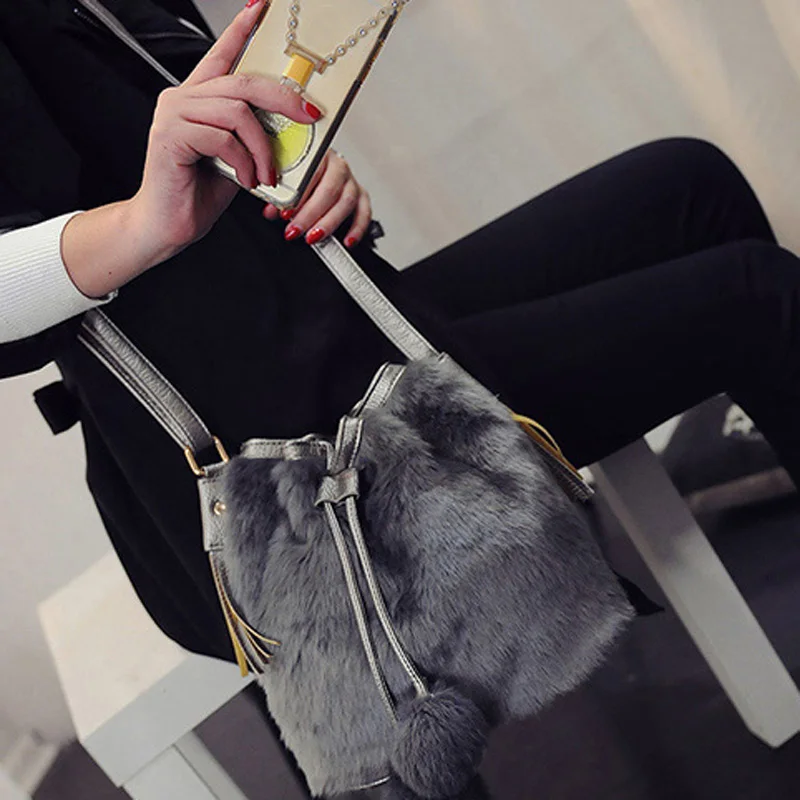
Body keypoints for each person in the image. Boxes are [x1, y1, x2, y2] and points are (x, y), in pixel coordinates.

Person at [1, 0, 794, 667]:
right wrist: (145, 224)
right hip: (275, 458)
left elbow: (201, 131)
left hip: (340, 326)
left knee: (689, 184)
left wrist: (302, 169)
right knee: (758, 295)